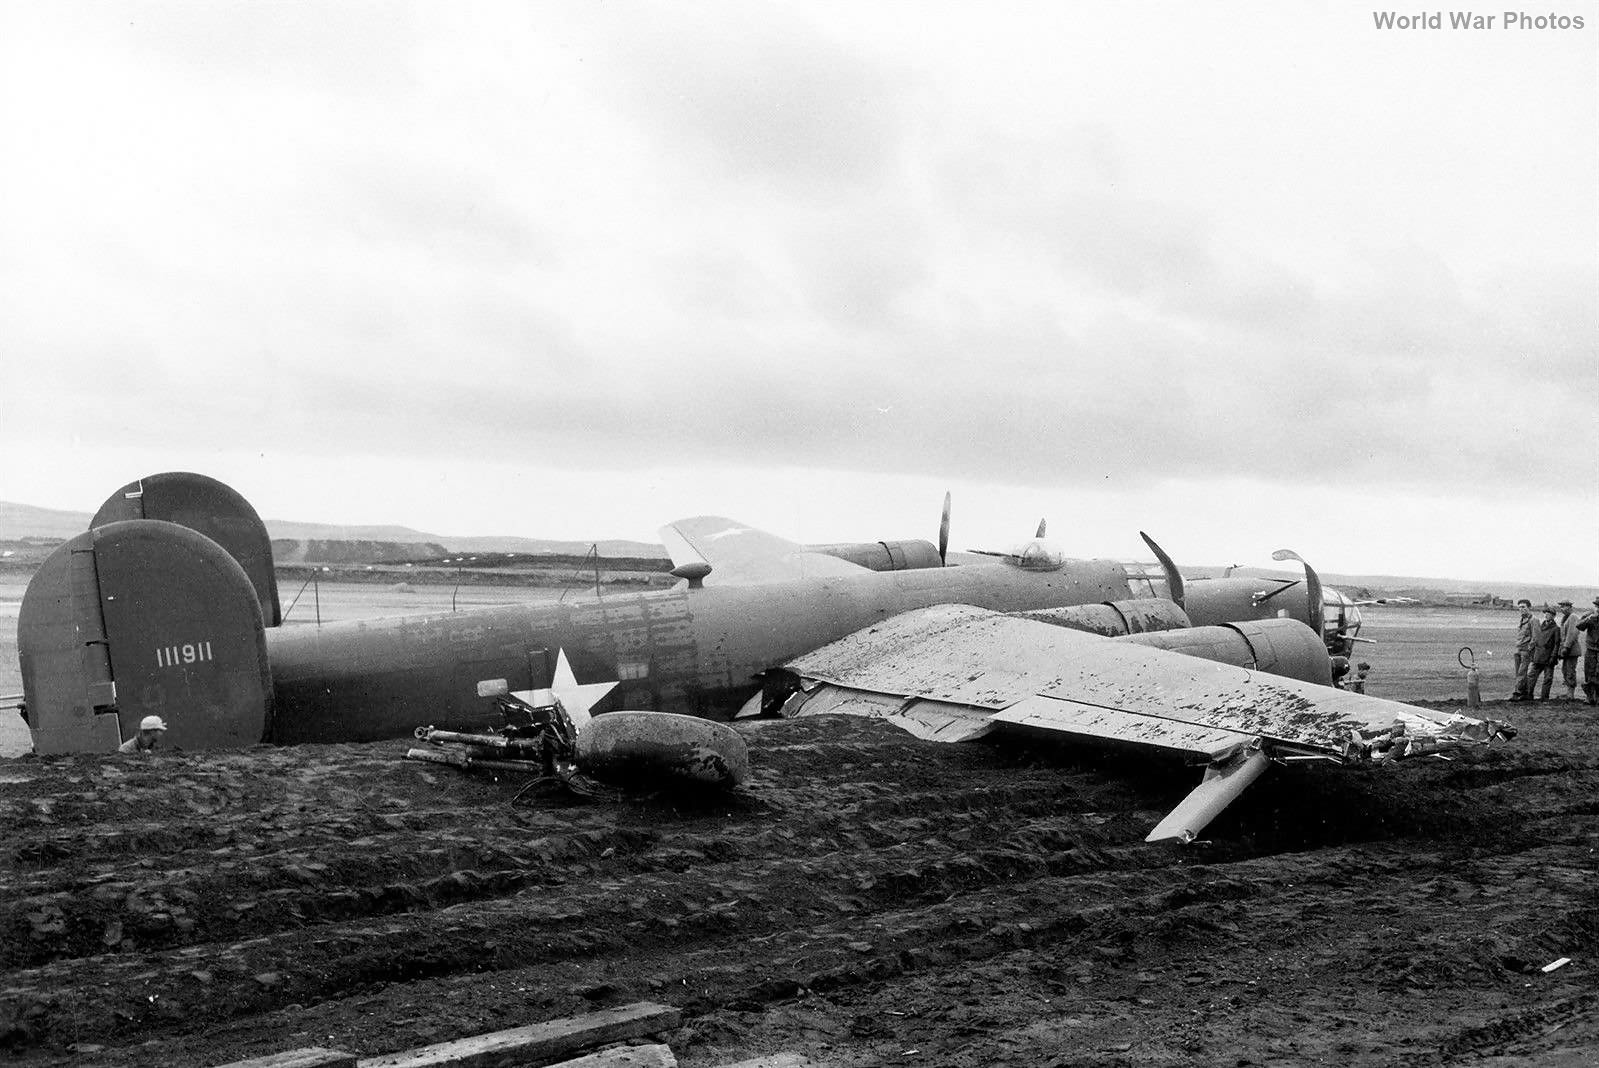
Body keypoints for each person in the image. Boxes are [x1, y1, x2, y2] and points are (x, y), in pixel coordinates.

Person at [1524, 607, 1562, 702]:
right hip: (1538, 656)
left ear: (1553, 616)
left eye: (1548, 614)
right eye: (1545, 613)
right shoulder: (1541, 626)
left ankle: (1544, 698)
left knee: (1548, 678)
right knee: (1531, 676)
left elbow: (1557, 644)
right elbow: (1536, 640)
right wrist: (1533, 653)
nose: (1546, 615)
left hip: (1549, 657)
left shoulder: (1556, 629)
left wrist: (1553, 656)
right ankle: (1529, 695)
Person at [1556, 599, 1582, 701]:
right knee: (1565, 670)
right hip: (1566, 650)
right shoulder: (1565, 618)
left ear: (1569, 607)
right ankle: (1568, 693)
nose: (1561, 608)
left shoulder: (1573, 617)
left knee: (1570, 671)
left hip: (1572, 649)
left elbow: (1572, 634)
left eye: (1564, 606)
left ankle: (1571, 694)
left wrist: (1566, 647)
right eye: (1561, 606)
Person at [1510, 599, 1534, 700]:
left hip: (1525, 650)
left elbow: (1535, 637)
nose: (1521, 609)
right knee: (1518, 672)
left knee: (1522, 672)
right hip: (1518, 649)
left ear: (1529, 608)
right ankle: (1523, 692)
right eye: (1519, 607)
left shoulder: (1533, 620)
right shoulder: (1522, 620)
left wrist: (1529, 648)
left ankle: (1518, 693)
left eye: (1523, 607)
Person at [1577, 597, 1599, 707]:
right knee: (1589, 673)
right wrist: (1589, 619)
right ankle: (1589, 696)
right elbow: (1579, 626)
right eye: (1597, 606)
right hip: (1591, 650)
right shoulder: (1590, 615)